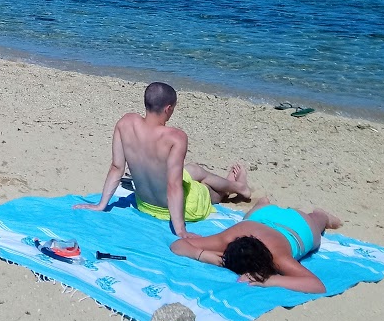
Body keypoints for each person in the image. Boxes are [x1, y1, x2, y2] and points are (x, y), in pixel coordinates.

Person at [72, 82, 253, 236]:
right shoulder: (175, 137)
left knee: (194, 170)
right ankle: (231, 189)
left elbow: (116, 167)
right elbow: (173, 185)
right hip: (174, 209)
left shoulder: (125, 122)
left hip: (143, 204)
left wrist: (101, 205)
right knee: (206, 190)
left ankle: (237, 186)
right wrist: (180, 230)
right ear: (168, 108)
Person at [170, 197, 343, 293]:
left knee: (316, 224)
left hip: (295, 226)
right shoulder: (228, 238)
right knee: (251, 219)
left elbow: (317, 286)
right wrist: (205, 255)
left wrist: (270, 280)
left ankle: (321, 216)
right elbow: (178, 245)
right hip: (269, 221)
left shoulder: (278, 257)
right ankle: (318, 215)